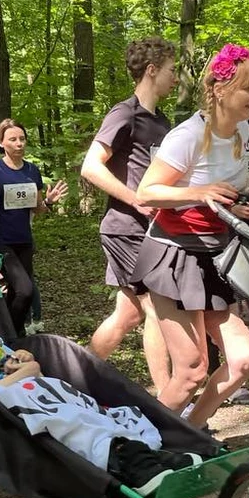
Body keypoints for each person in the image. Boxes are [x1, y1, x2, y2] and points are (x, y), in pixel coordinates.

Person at [0, 280, 198, 496]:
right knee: (59, 414)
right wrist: (27, 372)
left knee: (89, 408)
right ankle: (122, 458)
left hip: (27, 391)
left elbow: (13, 364)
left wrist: (24, 360)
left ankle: (137, 449)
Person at [133, 44, 249, 428]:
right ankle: (138, 443)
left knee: (245, 359)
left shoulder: (245, 132)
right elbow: (147, 192)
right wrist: (201, 192)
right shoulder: (188, 135)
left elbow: (234, 191)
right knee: (192, 368)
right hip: (173, 257)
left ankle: (187, 434)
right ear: (222, 89)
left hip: (216, 257)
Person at [81, 37, 176, 393]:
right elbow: (91, 167)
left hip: (152, 229)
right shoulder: (125, 113)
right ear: (151, 70)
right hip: (125, 228)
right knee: (157, 309)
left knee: (128, 314)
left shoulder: (162, 122)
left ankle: (77, 376)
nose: (176, 78)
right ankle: (170, 401)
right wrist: (136, 199)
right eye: (171, 70)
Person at [0, 119, 68, 337]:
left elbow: (37, 209)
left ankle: (5, 332)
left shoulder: (32, 171)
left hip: (24, 240)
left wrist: (48, 202)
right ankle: (13, 333)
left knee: (19, 293)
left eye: (22, 139)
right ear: (1, 143)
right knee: (24, 290)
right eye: (12, 139)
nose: (19, 143)